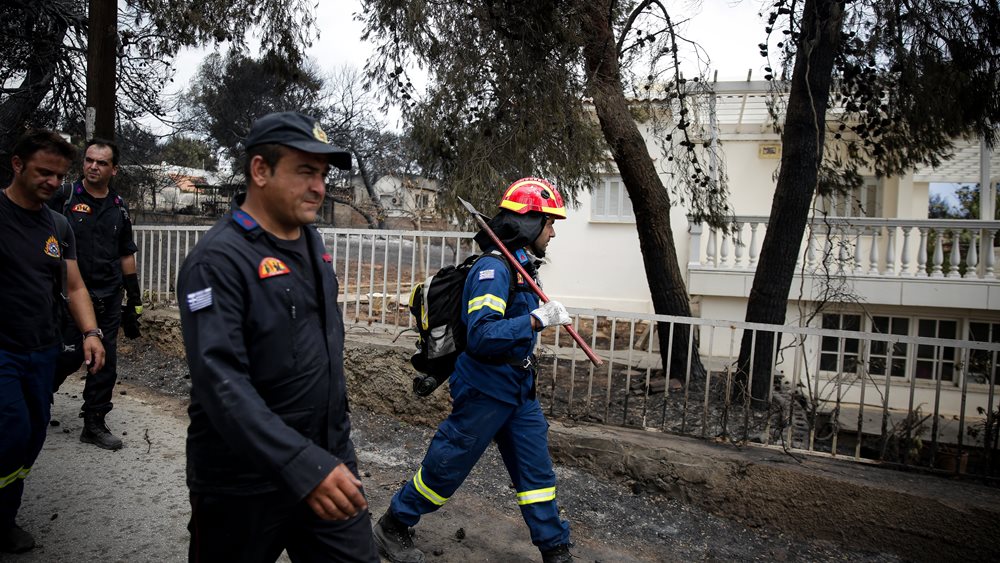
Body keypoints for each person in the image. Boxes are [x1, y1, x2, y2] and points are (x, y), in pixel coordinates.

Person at [176, 111, 378, 562]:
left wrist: (330, 450)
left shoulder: (312, 243)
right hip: (242, 483)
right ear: (260, 170)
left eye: (322, 175)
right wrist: (298, 463)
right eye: (305, 171)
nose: (319, 187)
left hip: (327, 460)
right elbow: (220, 382)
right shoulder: (217, 261)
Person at [374, 177, 575, 563]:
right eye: (549, 223)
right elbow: (482, 335)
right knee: (447, 466)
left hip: (518, 387)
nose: (552, 233)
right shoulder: (492, 270)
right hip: (485, 386)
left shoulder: (521, 267)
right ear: (530, 222)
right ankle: (393, 525)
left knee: (536, 474)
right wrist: (535, 320)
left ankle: (555, 549)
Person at [0, 129, 106, 553]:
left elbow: (75, 286)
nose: (53, 182)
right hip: (2, 349)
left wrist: (91, 333)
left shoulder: (58, 225)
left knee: (32, 435)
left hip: (42, 348)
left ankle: (4, 516)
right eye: (44, 172)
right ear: (17, 164)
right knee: (11, 429)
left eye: (60, 176)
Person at [50, 138, 141, 451]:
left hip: (108, 295)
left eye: (102, 163)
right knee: (67, 355)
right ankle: (37, 396)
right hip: (69, 295)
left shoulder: (119, 207)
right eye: (89, 160)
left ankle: (94, 422)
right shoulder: (64, 197)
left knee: (106, 359)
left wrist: (135, 300)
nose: (93, 167)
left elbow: (126, 253)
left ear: (114, 169)